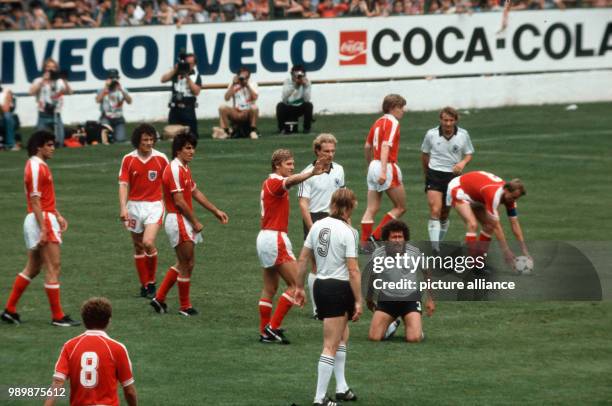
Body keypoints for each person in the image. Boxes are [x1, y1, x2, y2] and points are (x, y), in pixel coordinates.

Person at [1, 130, 79, 327]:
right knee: (54, 266)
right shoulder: (35, 166)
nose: (53, 148)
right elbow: (35, 200)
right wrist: (44, 227)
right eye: (50, 145)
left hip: (42, 217)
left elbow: (43, 198)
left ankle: (9, 310)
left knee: (33, 268)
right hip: (40, 219)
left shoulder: (39, 165)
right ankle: (58, 317)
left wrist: (58, 214)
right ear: (39, 147)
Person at [295, 188, 362, 406]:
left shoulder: (317, 226)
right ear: (350, 207)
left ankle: (341, 387)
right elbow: (353, 270)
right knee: (330, 344)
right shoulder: (349, 232)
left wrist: (299, 287)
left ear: (332, 204)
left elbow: (303, 259)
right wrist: (359, 300)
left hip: (320, 286)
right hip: (339, 288)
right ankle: (320, 398)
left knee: (342, 335)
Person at [150, 131, 229, 316]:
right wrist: (195, 221)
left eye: (193, 148)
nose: (192, 151)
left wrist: (216, 211)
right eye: (188, 148)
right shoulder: (174, 169)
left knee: (184, 262)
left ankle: (159, 298)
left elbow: (195, 192)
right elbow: (179, 201)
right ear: (178, 150)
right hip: (178, 219)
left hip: (181, 219)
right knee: (187, 263)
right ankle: (184, 306)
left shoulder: (184, 168)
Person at [256, 149, 328, 344]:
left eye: (292, 163)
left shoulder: (269, 183)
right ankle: (273, 327)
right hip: (275, 238)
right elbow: (290, 182)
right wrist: (311, 173)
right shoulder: (275, 182)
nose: (292, 167)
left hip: (264, 237)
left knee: (270, 288)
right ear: (277, 165)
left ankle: (264, 332)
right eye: (288, 164)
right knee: (295, 284)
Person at [43, 297, 137, 406]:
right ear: (108, 320)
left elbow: (58, 382)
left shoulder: (70, 346)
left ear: (84, 320)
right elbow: (129, 390)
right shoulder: (117, 348)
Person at [118, 124, 169, 299]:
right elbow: (123, 184)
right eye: (145, 140)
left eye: (151, 139)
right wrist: (123, 207)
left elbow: (169, 183)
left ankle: (152, 282)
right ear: (137, 142)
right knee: (138, 246)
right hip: (134, 207)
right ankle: (144, 285)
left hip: (155, 205)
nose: (149, 143)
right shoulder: (128, 159)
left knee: (148, 242)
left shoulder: (161, 159)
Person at [297, 133, 345, 318]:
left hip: (335, 218)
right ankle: (318, 309)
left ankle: (335, 303)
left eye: (333, 151)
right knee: (317, 265)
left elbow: (342, 196)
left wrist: (346, 220)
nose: (330, 154)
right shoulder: (307, 173)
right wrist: (311, 228)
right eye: (326, 151)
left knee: (337, 263)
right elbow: (303, 204)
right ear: (317, 151)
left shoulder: (339, 170)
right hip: (315, 218)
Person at [365, 220, 435, 342]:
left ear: (405, 238)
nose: (397, 240)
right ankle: (391, 326)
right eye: (394, 237)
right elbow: (372, 277)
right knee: (374, 337)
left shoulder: (414, 253)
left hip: (410, 299)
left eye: (400, 236)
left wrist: (430, 299)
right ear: (387, 240)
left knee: (414, 339)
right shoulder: (378, 255)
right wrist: (369, 298)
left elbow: (427, 273)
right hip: (387, 299)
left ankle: (417, 330)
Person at [446, 170, 530, 264]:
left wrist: (524, 249)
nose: (513, 200)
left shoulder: (510, 198)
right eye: (513, 197)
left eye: (516, 198)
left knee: (488, 226)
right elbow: (497, 227)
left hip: (476, 194)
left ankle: (478, 262)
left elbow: (515, 224)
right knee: (473, 224)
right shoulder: (494, 195)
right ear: (506, 190)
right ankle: (471, 263)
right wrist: (506, 252)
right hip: (459, 189)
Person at [421, 106, 474, 254]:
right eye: (445, 120)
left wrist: (462, 163)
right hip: (435, 175)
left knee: (444, 214)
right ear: (440, 120)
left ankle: (439, 241)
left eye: (451, 120)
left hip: (453, 178)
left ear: (455, 120)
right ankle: (435, 248)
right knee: (435, 210)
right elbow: (425, 154)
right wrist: (427, 174)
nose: (448, 124)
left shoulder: (463, 134)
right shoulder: (431, 134)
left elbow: (469, 153)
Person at [359, 94, 407, 246]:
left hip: (373, 164)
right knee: (400, 207)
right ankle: (376, 236)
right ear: (393, 108)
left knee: (371, 208)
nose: (403, 111)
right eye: (401, 108)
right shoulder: (393, 123)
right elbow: (386, 145)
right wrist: (384, 171)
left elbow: (367, 147)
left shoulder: (378, 122)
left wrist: (369, 166)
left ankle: (365, 243)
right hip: (385, 166)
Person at [30, 58, 72, 147]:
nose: (50, 69)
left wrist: (64, 80)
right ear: (44, 68)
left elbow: (69, 92)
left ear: (56, 69)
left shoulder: (59, 81)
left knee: (59, 142)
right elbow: (31, 92)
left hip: (56, 114)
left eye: (53, 67)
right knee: (40, 143)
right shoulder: (38, 80)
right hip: (43, 114)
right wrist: (43, 81)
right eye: (48, 67)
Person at [161, 52, 202, 138]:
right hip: (175, 109)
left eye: (190, 64)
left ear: (194, 64)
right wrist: (175, 69)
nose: (187, 65)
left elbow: (196, 92)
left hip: (188, 109)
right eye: (187, 63)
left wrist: (187, 77)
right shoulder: (176, 73)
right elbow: (163, 79)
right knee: (173, 136)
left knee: (191, 136)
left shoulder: (196, 75)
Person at [214, 66, 259, 139]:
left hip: (247, 112)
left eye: (246, 77)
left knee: (254, 107)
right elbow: (227, 98)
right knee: (222, 108)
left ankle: (253, 131)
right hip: (236, 111)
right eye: (242, 77)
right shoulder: (233, 84)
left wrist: (247, 86)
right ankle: (226, 131)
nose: (244, 79)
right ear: (238, 76)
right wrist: (233, 84)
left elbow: (255, 97)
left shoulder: (252, 84)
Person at [96, 69, 132, 143]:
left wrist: (121, 90)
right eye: (111, 78)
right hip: (106, 118)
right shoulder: (102, 90)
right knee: (105, 140)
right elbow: (98, 100)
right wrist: (106, 88)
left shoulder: (122, 90)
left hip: (118, 118)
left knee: (120, 140)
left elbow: (129, 101)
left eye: (115, 78)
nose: (113, 80)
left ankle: (115, 134)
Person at [276, 65, 313, 134]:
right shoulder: (287, 81)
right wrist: (295, 86)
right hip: (289, 106)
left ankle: (307, 129)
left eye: (301, 74)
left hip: (300, 106)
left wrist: (305, 86)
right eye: (296, 74)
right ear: (292, 74)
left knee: (309, 105)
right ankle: (282, 128)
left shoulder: (307, 82)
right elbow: (284, 98)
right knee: (280, 105)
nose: (298, 76)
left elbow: (307, 99)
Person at [0, 84, 19, 151]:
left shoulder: (7, 91)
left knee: (7, 115)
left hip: (5, 119)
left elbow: (6, 109)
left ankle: (10, 144)